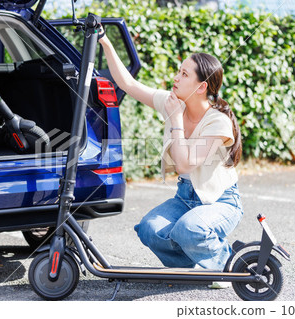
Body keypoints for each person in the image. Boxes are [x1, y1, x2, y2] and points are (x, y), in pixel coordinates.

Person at [98, 31, 244, 282]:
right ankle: (194, 265)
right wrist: (105, 41)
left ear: (201, 87)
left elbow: (185, 163)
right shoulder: (172, 101)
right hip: (185, 197)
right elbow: (128, 85)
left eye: (184, 74)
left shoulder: (217, 122)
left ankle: (224, 262)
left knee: (189, 229)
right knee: (149, 229)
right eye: (179, 71)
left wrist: (175, 119)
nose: (176, 77)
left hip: (221, 202)